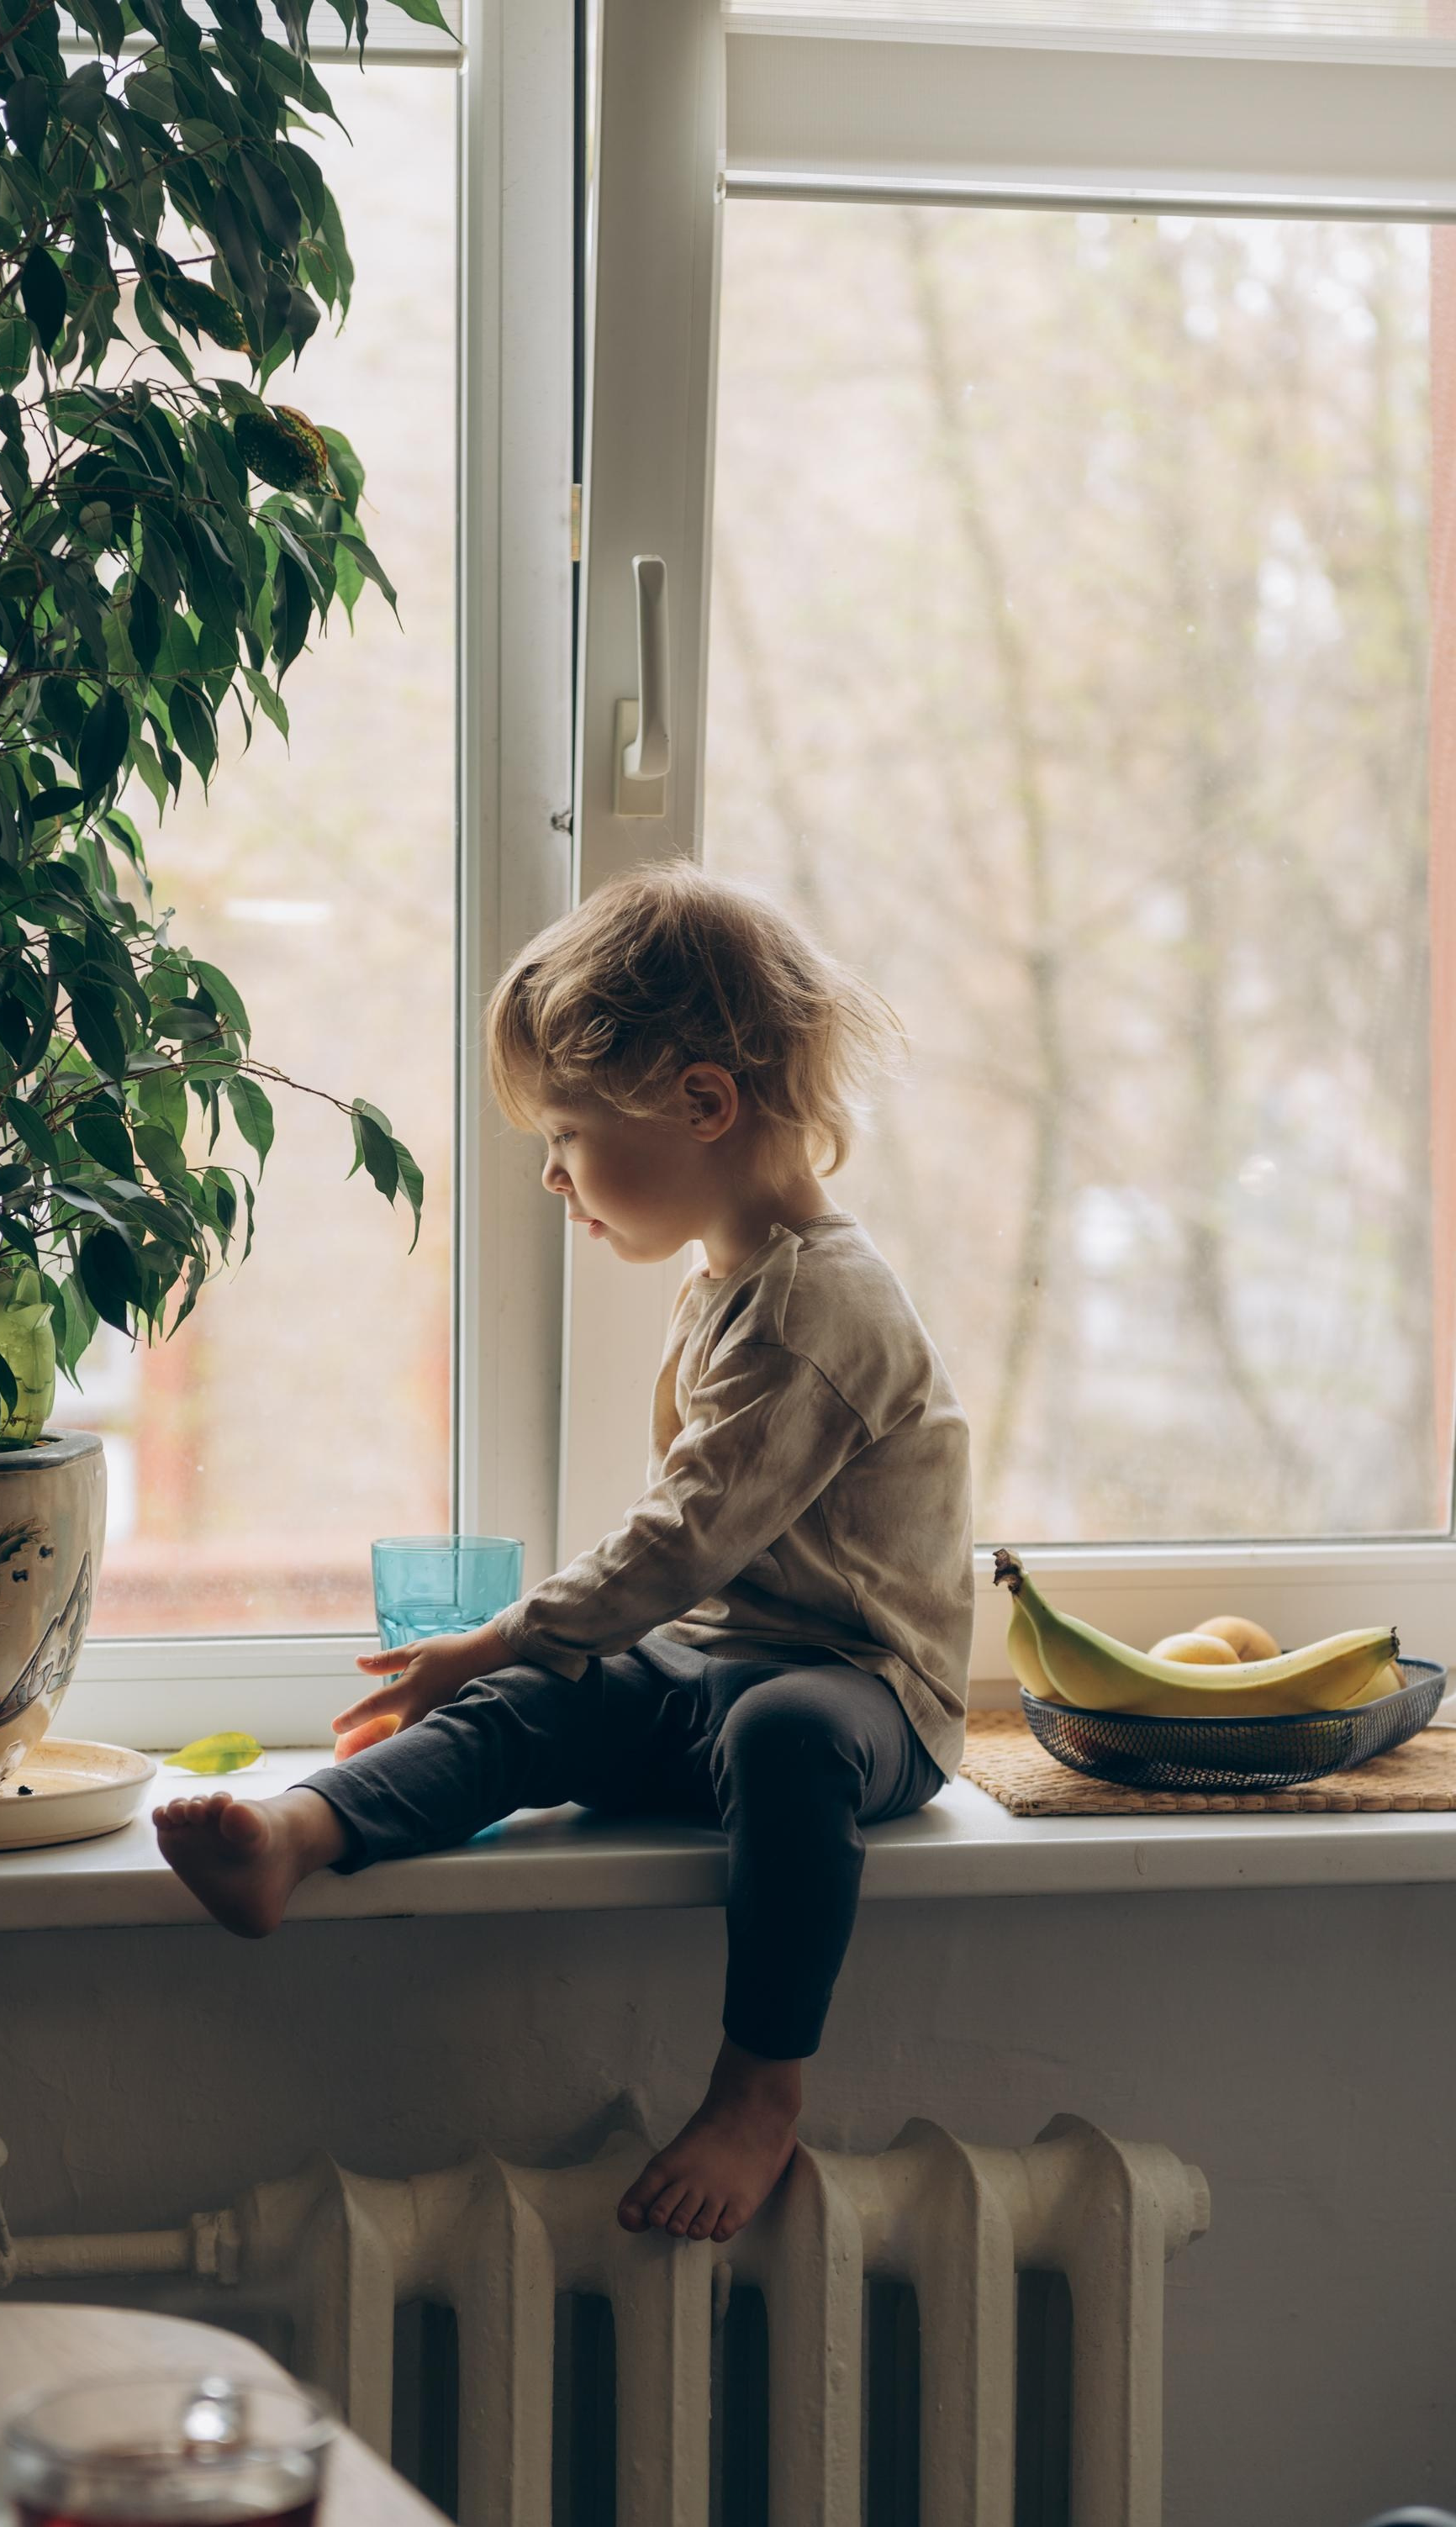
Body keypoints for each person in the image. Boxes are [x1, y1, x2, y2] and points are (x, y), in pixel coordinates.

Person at [155, 862, 973, 2244]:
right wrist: (531, 1658)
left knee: (779, 1734)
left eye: (571, 1132)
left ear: (703, 1105)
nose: (551, 1174)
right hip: (718, 1661)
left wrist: (508, 1626)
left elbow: (687, 1534)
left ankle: (759, 2088)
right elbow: (684, 1574)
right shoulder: (722, 1281)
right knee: (549, 1702)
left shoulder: (823, 1305)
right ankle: (301, 1834)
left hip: (862, 1689)